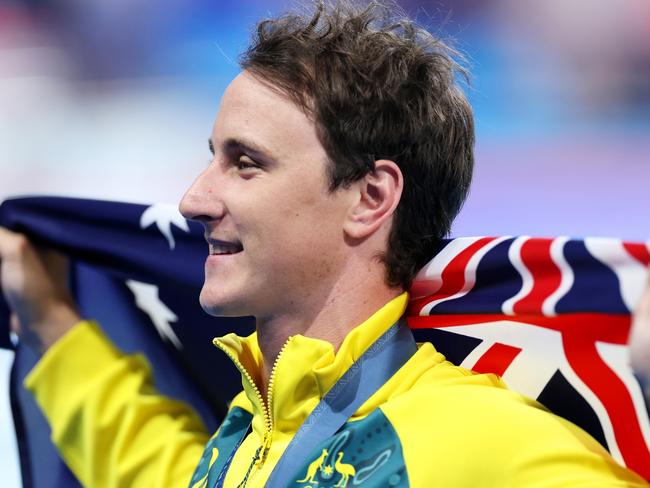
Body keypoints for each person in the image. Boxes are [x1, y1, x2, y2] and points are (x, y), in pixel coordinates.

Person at [0, 1, 648, 486]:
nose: (196, 198)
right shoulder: (250, 437)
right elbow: (157, 471)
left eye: (245, 163)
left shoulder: (467, 435)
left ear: (370, 199)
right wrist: (50, 316)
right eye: (212, 159)